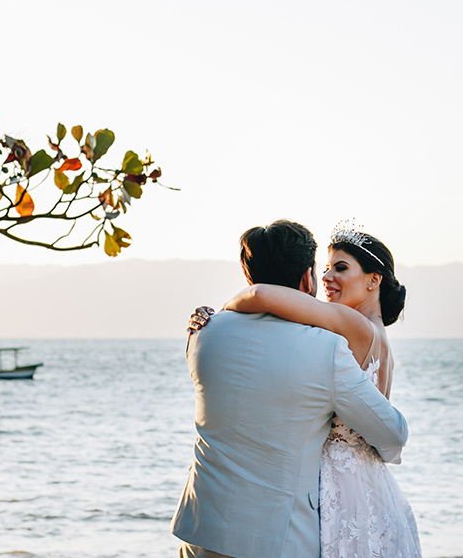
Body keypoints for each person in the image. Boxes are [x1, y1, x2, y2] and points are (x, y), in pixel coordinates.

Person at [171, 220, 409, 558]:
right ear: (306, 278)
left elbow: (261, 296)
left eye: (340, 268)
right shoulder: (325, 348)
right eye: (324, 269)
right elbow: (391, 433)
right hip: (284, 536)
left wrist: (221, 311)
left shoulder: (203, 334)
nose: (327, 278)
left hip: (201, 530)